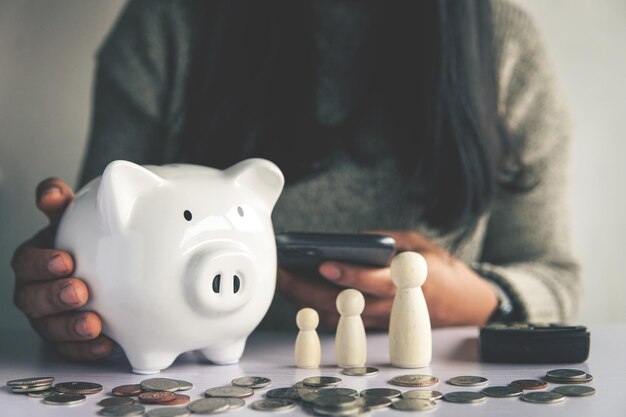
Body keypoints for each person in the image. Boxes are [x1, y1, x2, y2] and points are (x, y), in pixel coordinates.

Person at [11, 0, 580, 362]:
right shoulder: (166, 25)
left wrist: (479, 300)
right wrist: (74, 275)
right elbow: (102, 228)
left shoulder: (503, 45)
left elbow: (555, 278)